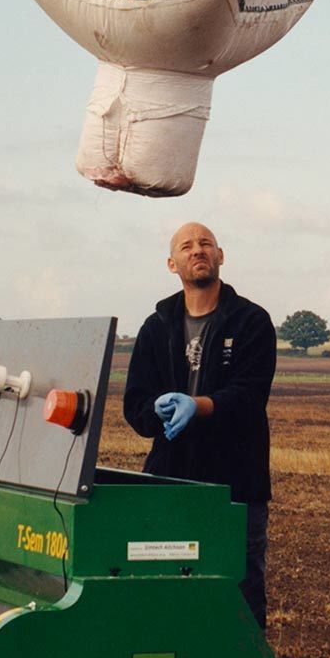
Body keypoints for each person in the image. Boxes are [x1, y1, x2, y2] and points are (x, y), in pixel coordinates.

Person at [122, 221, 276, 628]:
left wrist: (199, 405)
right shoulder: (155, 327)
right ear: (172, 263)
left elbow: (249, 396)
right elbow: (134, 404)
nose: (198, 250)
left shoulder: (251, 321)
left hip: (236, 486)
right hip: (171, 484)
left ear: (220, 256)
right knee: (164, 596)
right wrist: (156, 410)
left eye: (206, 243)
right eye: (187, 246)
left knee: (238, 598)